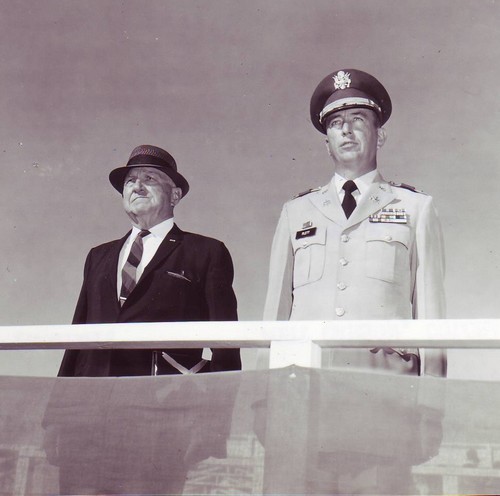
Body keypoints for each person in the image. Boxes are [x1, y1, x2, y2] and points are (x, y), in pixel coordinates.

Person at [44, 144, 241, 494]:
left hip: (160, 423)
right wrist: (56, 419)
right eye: (130, 180)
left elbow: (227, 344)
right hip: (85, 424)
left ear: (175, 194)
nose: (137, 186)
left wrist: (214, 426)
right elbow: (76, 339)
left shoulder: (205, 252)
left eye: (149, 178)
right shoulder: (98, 257)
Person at [263, 69, 446, 377]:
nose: (346, 130)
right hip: (307, 378)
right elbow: (275, 313)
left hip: (386, 383)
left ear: (381, 135)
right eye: (336, 123)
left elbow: (431, 311)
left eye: (358, 119)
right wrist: (266, 397)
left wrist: (431, 402)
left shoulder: (415, 208)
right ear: (327, 143)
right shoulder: (295, 212)